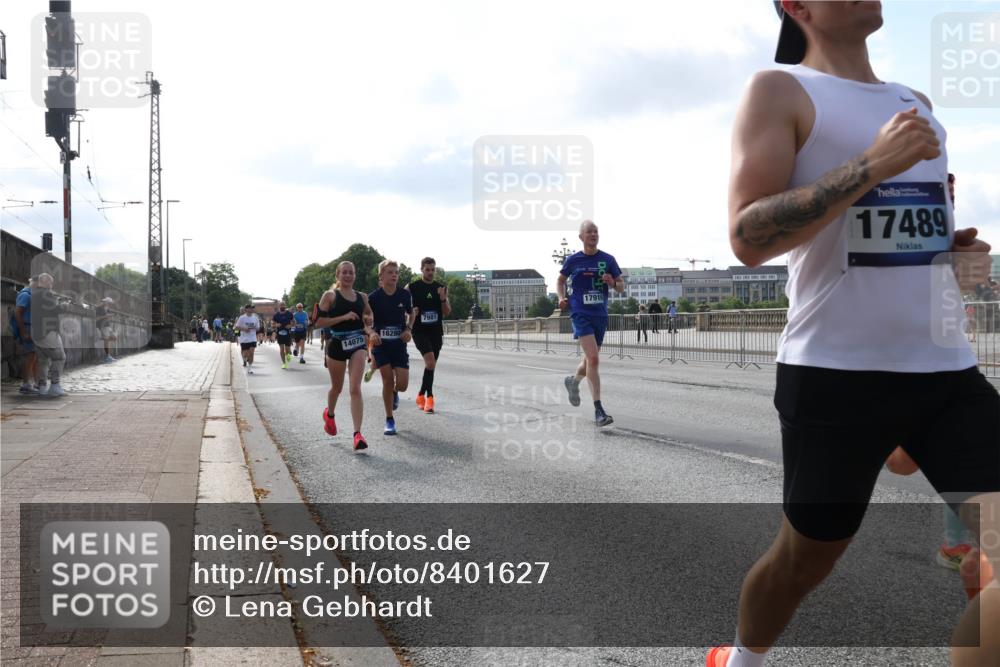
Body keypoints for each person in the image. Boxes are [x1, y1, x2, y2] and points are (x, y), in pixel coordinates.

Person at [709, 4, 999, 667]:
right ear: (797, 6)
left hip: (945, 375)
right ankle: (742, 658)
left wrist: (952, 252)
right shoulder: (780, 90)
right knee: (801, 564)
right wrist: (871, 161)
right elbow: (748, 235)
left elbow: (896, 234)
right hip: (836, 376)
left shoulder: (914, 103)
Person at [557, 219, 624, 427]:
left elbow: (621, 287)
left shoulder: (608, 259)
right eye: (589, 232)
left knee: (589, 360)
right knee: (594, 359)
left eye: (595, 232)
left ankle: (573, 381)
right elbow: (560, 280)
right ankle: (598, 411)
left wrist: (612, 282)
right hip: (580, 313)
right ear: (581, 237)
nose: (593, 235)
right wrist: (561, 297)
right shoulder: (573, 260)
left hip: (600, 314)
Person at [314, 261, 375, 451]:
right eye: (345, 272)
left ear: (354, 275)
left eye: (351, 272)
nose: (348, 276)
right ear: (338, 275)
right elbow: (318, 322)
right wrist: (343, 317)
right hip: (337, 344)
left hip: (357, 344)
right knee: (337, 388)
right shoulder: (330, 296)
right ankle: (329, 414)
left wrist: (369, 327)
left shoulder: (362, 297)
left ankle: (358, 434)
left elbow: (368, 318)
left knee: (355, 388)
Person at [368, 260, 415, 436]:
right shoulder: (373, 298)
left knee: (402, 385)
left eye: (396, 272)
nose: (394, 275)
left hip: (399, 344)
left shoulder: (404, 295)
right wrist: (371, 332)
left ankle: (395, 392)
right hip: (381, 345)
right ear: (381, 276)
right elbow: (365, 320)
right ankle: (389, 419)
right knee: (387, 380)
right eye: (390, 272)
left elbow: (412, 313)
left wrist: (409, 329)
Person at [408, 257, 451, 414]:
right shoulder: (412, 287)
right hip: (419, 331)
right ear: (421, 270)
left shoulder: (441, 288)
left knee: (430, 366)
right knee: (430, 362)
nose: (431, 272)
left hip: (435, 332)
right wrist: (411, 312)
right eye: (427, 269)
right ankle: (430, 398)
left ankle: (420, 395)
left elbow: (446, 312)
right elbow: (404, 308)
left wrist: (442, 299)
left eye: (433, 269)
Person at [31, 273, 68, 397]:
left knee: (43, 360)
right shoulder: (47, 293)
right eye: (51, 283)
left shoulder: (34, 294)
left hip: (36, 333)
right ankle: (54, 386)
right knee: (59, 358)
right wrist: (64, 305)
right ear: (46, 282)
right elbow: (55, 309)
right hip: (48, 332)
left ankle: (42, 387)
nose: (51, 285)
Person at [11, 276, 38, 394]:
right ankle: (26, 383)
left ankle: (36, 382)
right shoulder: (25, 295)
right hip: (26, 327)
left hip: (31, 327)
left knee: (34, 356)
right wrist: (23, 332)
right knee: (30, 355)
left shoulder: (31, 295)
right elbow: (18, 313)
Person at [235, 304, 260, 374]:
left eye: (251, 308)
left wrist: (255, 328)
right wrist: (244, 329)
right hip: (244, 339)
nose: (251, 309)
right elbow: (236, 327)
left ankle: (250, 368)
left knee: (251, 353)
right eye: (249, 308)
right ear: (246, 310)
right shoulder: (241, 318)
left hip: (252, 338)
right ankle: (245, 359)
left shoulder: (255, 318)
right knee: (245, 354)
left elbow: (258, 328)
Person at [272, 301, 295, 369]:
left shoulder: (289, 314)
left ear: (285, 306)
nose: (282, 306)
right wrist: (276, 325)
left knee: (287, 349)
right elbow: (272, 324)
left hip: (287, 333)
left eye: (283, 305)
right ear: (279, 306)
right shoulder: (276, 315)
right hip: (279, 334)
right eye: (281, 305)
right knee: (281, 349)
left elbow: (294, 322)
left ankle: (289, 355)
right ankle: (284, 363)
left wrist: (290, 325)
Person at [96, 297, 117, 362]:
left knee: (114, 338)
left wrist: (110, 317)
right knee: (107, 340)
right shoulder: (99, 308)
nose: (109, 304)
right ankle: (108, 357)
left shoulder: (108, 309)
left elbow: (108, 318)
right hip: (103, 326)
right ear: (105, 302)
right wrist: (106, 316)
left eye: (110, 303)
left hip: (108, 326)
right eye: (108, 302)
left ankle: (103, 339)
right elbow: (97, 318)